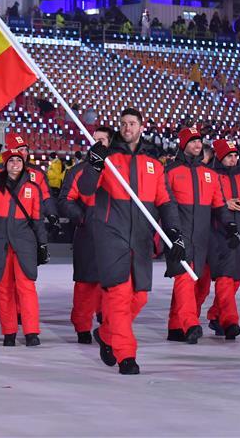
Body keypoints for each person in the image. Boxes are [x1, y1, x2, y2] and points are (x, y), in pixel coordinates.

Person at [77, 108, 182, 375]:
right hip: (112, 234)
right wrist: (94, 164)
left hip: (141, 236)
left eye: (132, 123)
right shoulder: (108, 158)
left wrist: (174, 233)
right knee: (119, 295)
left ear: (141, 126)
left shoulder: (153, 163)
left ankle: (106, 333)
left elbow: (165, 202)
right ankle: (126, 355)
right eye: (123, 124)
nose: (127, 128)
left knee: (140, 296)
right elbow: (86, 189)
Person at [165, 126, 239, 345]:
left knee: (193, 281)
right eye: (193, 141)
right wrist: (169, 233)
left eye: (200, 141)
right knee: (184, 278)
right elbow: (163, 203)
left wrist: (231, 226)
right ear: (183, 144)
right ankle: (189, 324)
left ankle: (175, 326)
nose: (198, 145)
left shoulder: (209, 175)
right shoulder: (170, 171)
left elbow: (219, 205)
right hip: (178, 233)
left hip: (203, 237)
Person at [0, 149, 48, 347]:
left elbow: (37, 220)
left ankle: (31, 332)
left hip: (24, 243)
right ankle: (8, 331)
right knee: (3, 289)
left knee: (26, 287)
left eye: (19, 160)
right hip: (0, 242)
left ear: (23, 164)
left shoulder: (33, 188)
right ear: (5, 164)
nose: (15, 164)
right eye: (11, 161)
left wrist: (42, 244)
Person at [198, 139, 240, 340]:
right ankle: (231, 321)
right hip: (218, 234)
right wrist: (224, 203)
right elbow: (204, 202)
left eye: (235, 156)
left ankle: (215, 315)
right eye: (229, 156)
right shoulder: (211, 177)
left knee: (235, 279)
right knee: (224, 278)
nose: (233, 160)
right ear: (220, 157)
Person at [59, 126, 114, 344]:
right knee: (85, 284)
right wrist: (83, 217)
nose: (98, 144)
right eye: (95, 140)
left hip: (113, 235)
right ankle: (82, 326)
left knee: (111, 283)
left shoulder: (118, 169)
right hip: (88, 234)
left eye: (103, 140)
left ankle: (107, 321)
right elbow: (65, 200)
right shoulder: (78, 171)